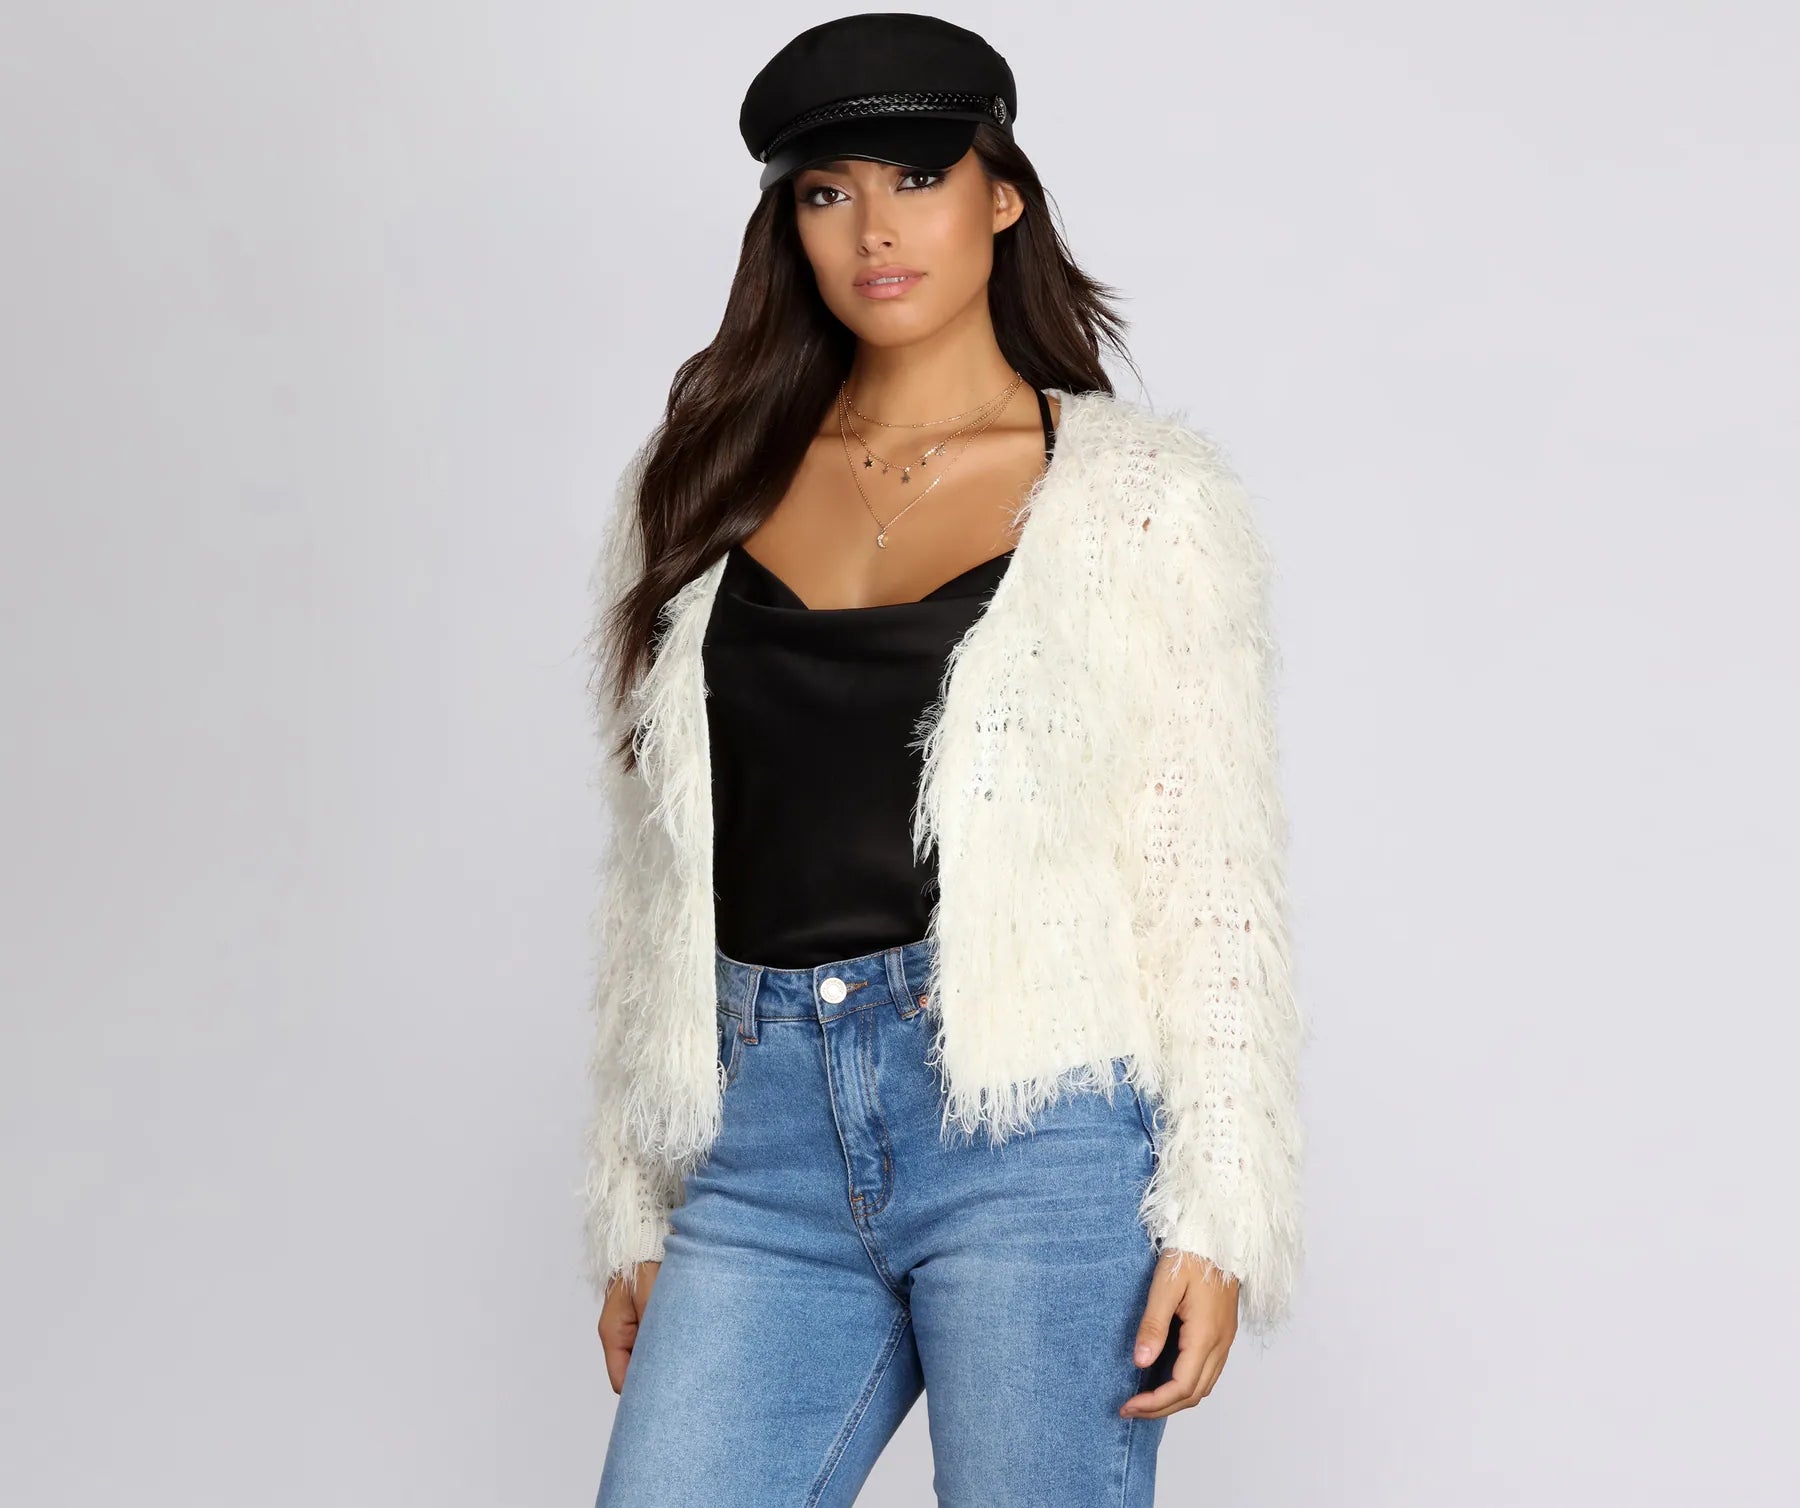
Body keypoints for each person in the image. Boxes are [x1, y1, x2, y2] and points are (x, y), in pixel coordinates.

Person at [582, 14, 1305, 1506]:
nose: (874, 228)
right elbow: (655, 872)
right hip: (758, 1137)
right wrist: (636, 1191)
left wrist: (1221, 1204)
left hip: (1037, 1139)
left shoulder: (1140, 500)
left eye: (916, 176)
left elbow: (1209, 876)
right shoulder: (702, 481)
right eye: (826, 191)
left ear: (1003, 195)